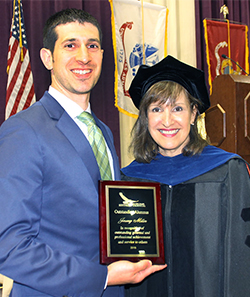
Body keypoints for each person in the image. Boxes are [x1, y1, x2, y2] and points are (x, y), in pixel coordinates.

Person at [0, 8, 165, 297]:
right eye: (70, 45)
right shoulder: (23, 131)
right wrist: (100, 277)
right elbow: (9, 247)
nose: (84, 57)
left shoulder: (103, 131)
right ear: (47, 58)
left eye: (92, 46)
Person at [122, 55, 250, 297]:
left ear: (193, 114)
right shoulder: (130, 179)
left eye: (177, 108)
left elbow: (241, 259)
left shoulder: (227, 171)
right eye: (157, 109)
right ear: (146, 117)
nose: (167, 120)